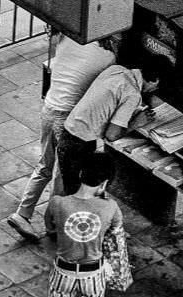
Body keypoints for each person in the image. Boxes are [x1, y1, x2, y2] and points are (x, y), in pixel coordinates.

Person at [6, 31, 116, 242]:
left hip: (49, 107)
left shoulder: (68, 38)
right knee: (62, 174)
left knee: (44, 165)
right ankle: (53, 225)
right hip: (69, 118)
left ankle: (23, 213)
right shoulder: (108, 58)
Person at [39, 152, 123, 297]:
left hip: (63, 271)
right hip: (92, 274)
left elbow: (50, 226)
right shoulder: (110, 208)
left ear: (80, 174)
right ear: (105, 182)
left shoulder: (59, 203)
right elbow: (115, 231)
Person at [56, 54, 174, 197]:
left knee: (72, 190)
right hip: (80, 145)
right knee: (79, 195)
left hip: (68, 131)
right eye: (157, 87)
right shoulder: (132, 94)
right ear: (155, 81)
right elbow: (111, 135)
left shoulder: (115, 70)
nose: (154, 90)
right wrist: (135, 123)